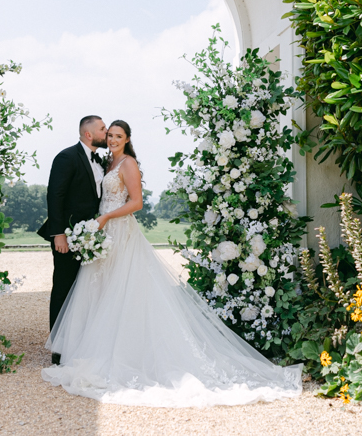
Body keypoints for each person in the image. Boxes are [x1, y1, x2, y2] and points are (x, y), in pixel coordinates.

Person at [42, 120, 302, 407]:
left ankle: (127, 352)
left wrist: (104, 218)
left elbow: (137, 202)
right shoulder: (106, 161)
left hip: (118, 230)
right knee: (99, 289)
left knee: (125, 289)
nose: (112, 139)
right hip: (102, 234)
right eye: (110, 134)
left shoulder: (127, 163)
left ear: (127, 139)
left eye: (117, 135)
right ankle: (88, 349)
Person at [37, 115, 107, 364]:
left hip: (91, 238)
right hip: (67, 236)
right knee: (64, 289)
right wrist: (59, 234)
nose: (106, 131)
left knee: (85, 290)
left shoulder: (100, 160)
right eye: (102, 128)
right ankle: (59, 349)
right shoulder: (67, 157)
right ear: (88, 134)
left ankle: (81, 343)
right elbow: (55, 196)